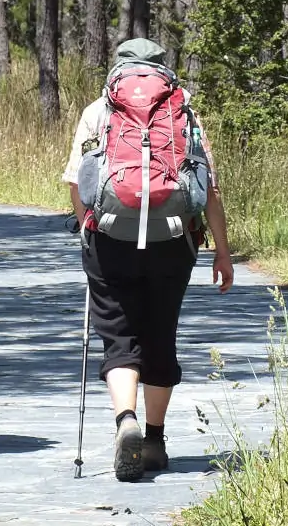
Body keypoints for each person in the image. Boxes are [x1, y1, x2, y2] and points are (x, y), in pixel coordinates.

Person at [62, 38, 234, 482]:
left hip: (110, 238)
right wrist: (222, 250)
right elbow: (207, 186)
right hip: (173, 238)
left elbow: (78, 183)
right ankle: (155, 441)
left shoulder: (99, 109)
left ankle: (126, 421)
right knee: (161, 333)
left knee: (118, 335)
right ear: (163, 68)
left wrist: (87, 227)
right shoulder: (184, 108)